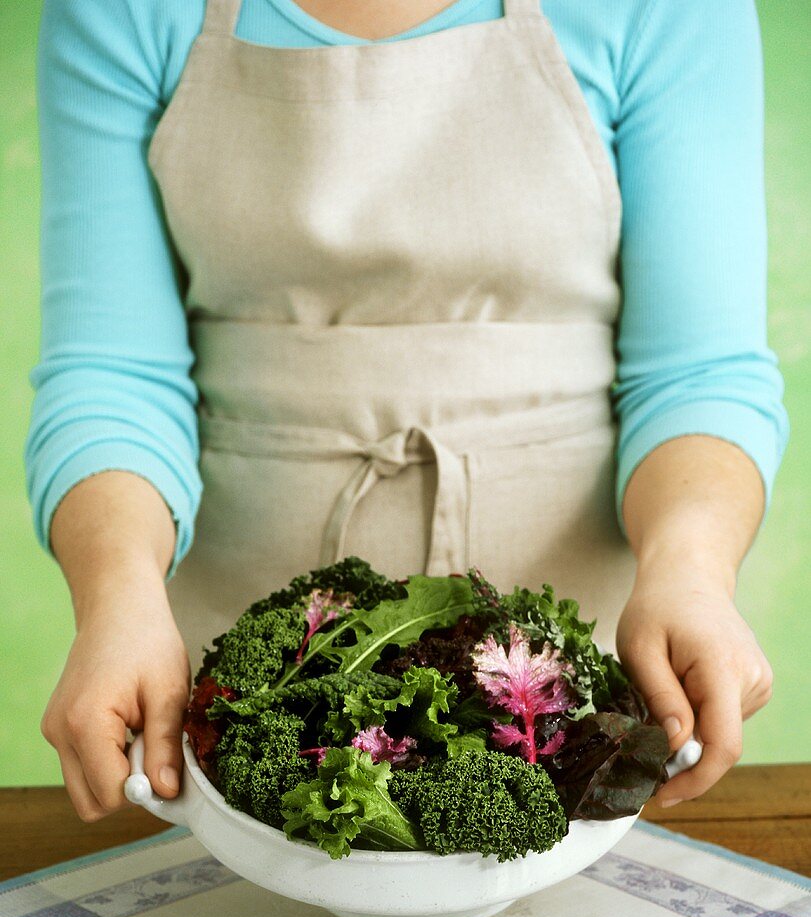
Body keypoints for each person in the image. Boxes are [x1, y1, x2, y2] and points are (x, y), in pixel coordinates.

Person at [25, 0, 789, 824]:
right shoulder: (118, 11)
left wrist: (691, 566)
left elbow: (693, 371)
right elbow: (113, 370)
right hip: (240, 676)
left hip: (566, 684)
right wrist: (116, 598)